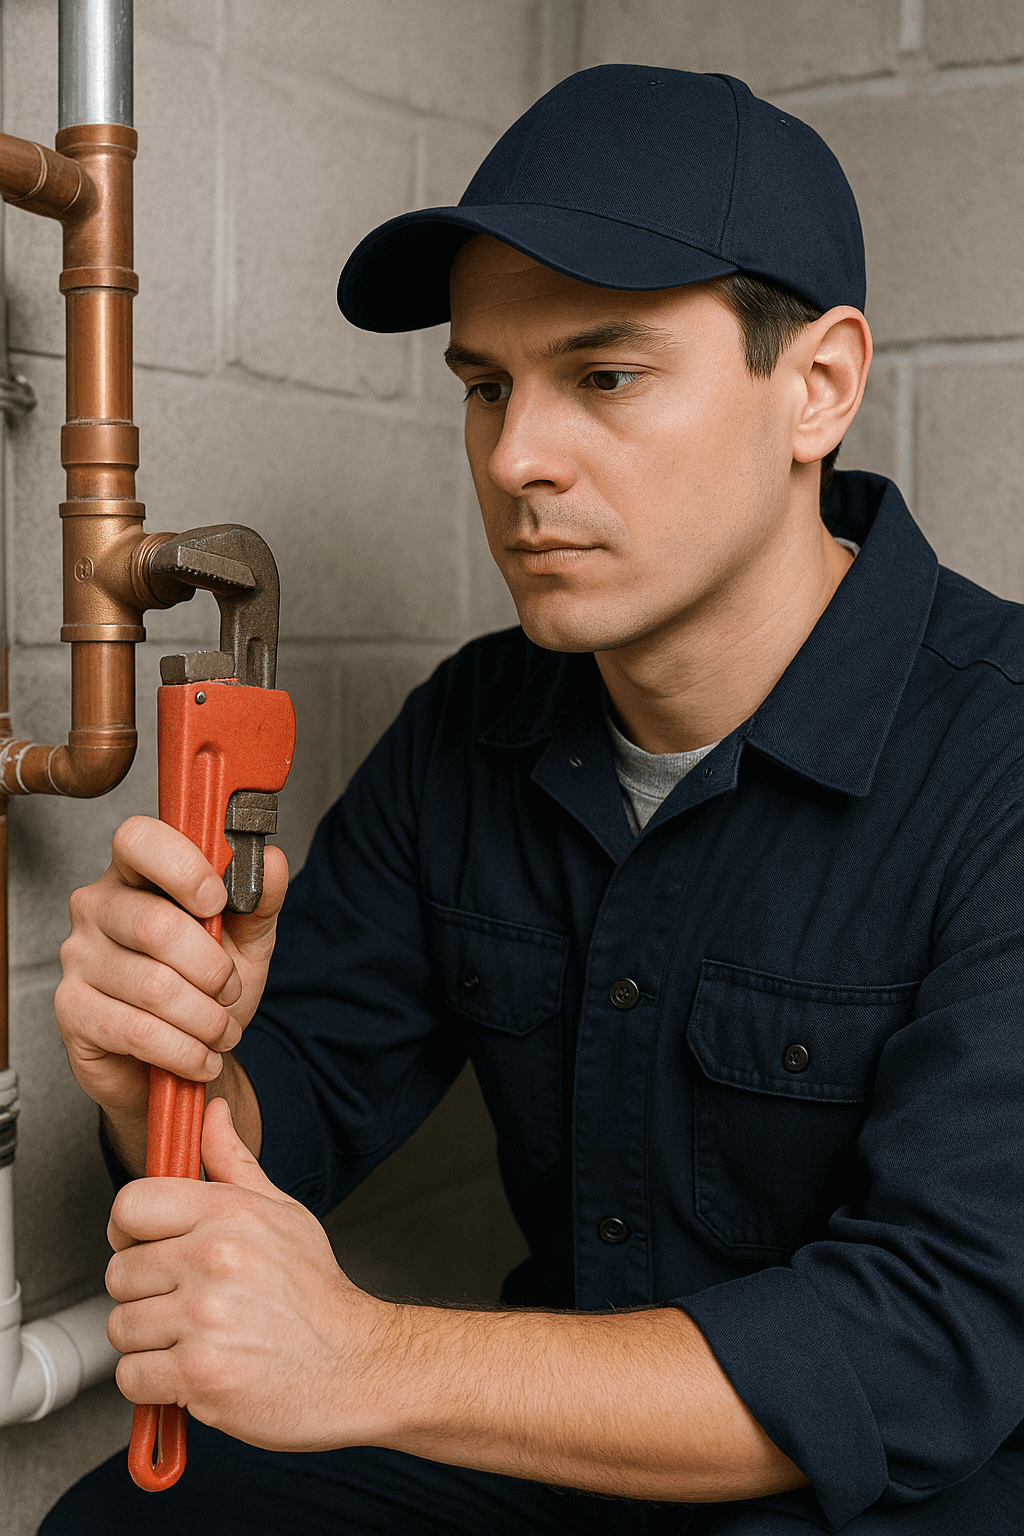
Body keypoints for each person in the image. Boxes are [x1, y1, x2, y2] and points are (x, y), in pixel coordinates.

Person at [41, 65, 1024, 1535]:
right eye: (488, 386)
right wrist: (172, 1073)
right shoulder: (473, 734)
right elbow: (288, 1126)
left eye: (605, 377)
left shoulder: (999, 756)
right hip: (555, 1455)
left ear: (818, 385)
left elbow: (928, 1339)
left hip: (896, 1490)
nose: (515, 461)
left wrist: (366, 1357)